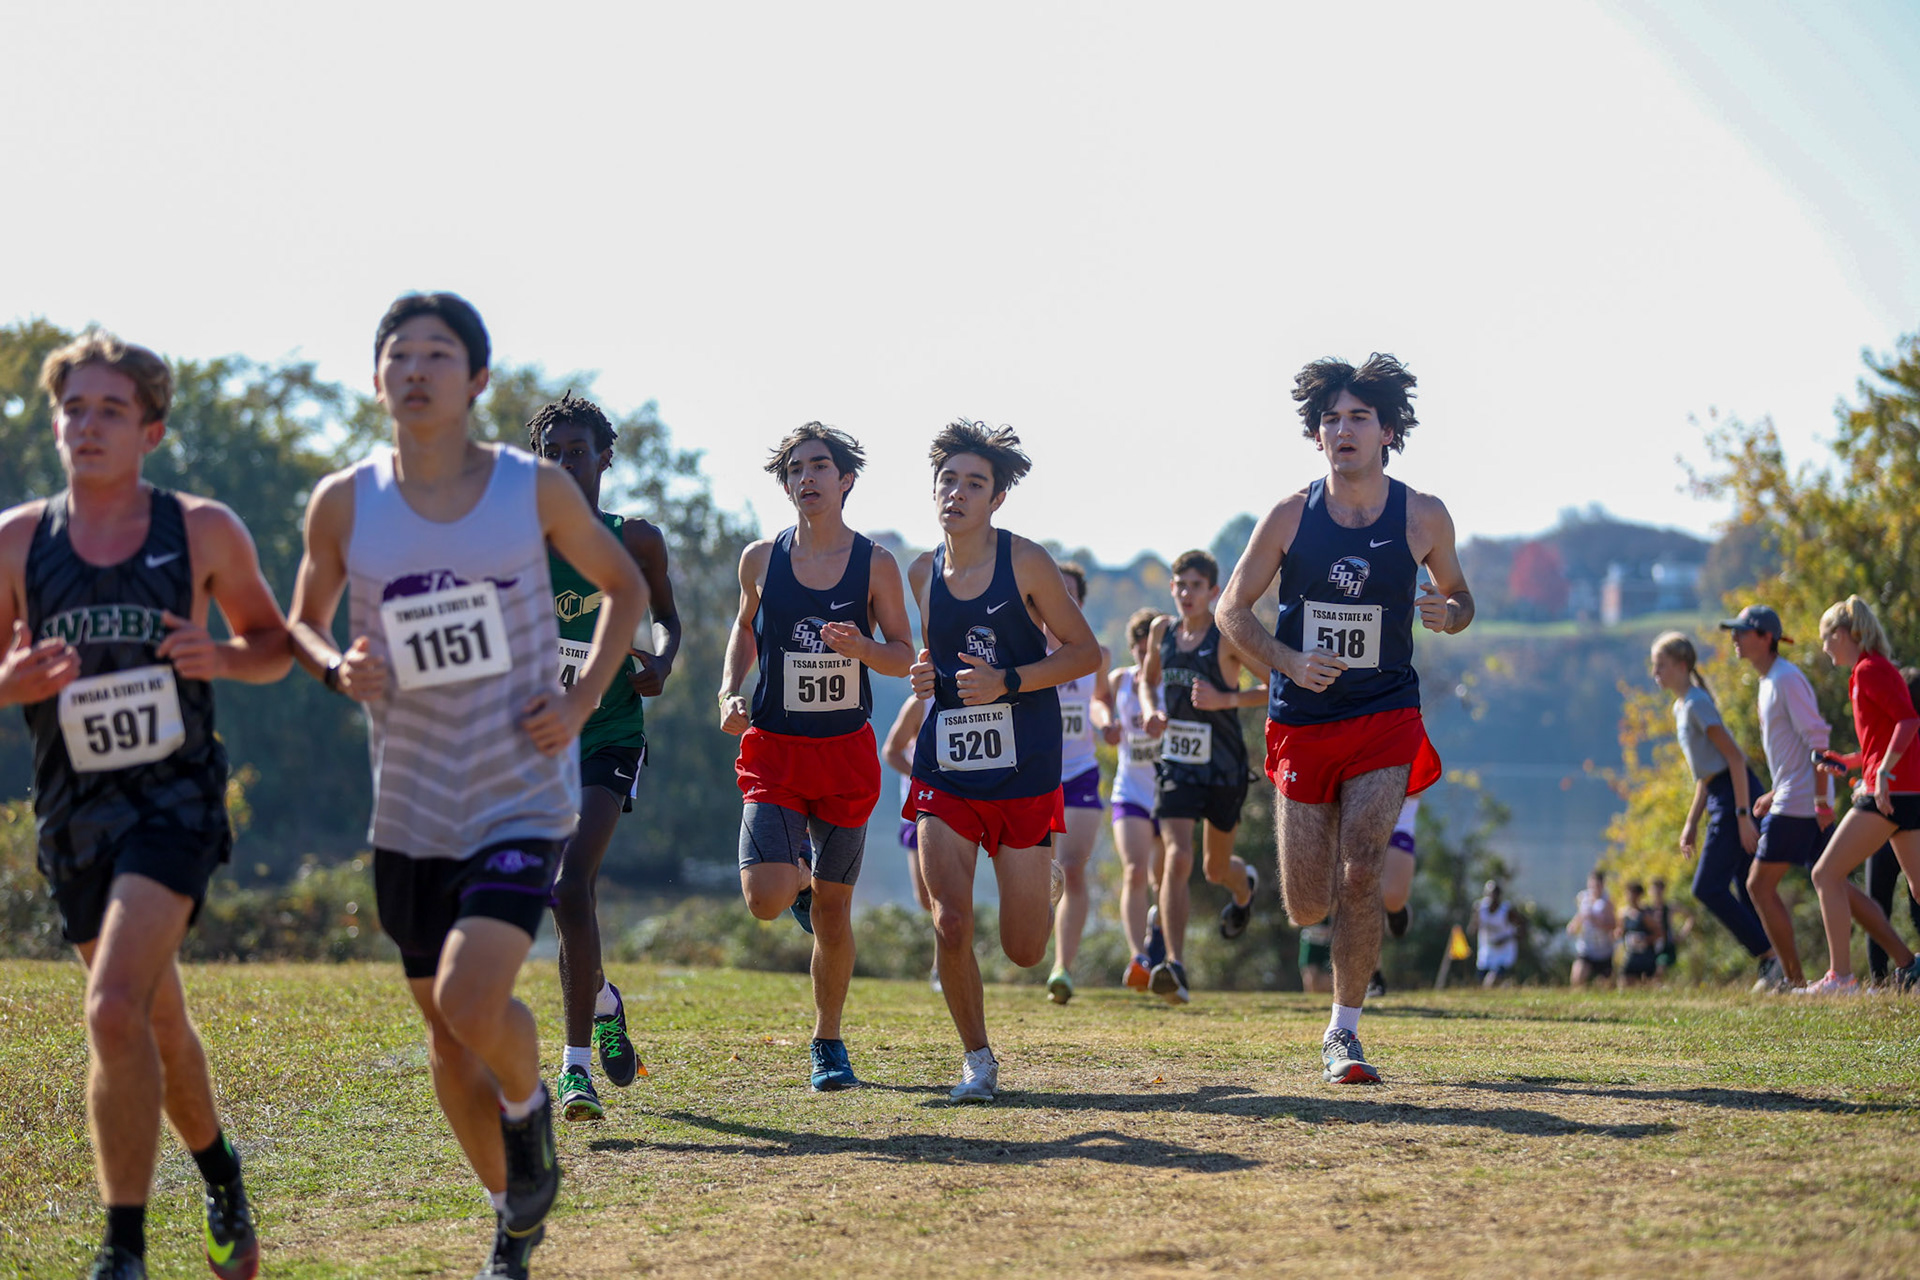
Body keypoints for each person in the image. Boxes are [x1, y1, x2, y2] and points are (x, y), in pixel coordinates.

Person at [289, 293, 649, 1279]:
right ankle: (511, 1214)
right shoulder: (344, 501)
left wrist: (576, 712)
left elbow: (627, 589)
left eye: (437, 354)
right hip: (409, 803)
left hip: (520, 789)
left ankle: (532, 1111)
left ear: (476, 380)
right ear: (375, 378)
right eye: (397, 353)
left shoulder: (530, 490)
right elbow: (302, 620)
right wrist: (333, 664)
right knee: (449, 1046)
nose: (415, 369)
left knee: (470, 992)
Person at [0, 332, 290, 1280]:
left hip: (174, 801)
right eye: (73, 409)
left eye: (109, 411)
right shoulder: (18, 540)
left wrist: (222, 658)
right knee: (151, 1016)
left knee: (113, 1004)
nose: (86, 426)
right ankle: (221, 1180)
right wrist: (13, 678)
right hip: (73, 811)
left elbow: (271, 643)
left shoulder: (200, 530)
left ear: (151, 429)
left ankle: (120, 1252)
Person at [1217, 353, 1467, 1085]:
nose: (1344, 429)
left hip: (1385, 710)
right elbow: (1233, 609)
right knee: (1306, 904)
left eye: (1359, 417)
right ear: (1316, 435)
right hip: (1303, 717)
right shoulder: (1291, 515)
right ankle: (1303, 897)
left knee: (1362, 871)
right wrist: (1287, 663)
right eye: (1331, 419)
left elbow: (1460, 597)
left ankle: (1344, 1032)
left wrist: (1446, 614)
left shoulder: (1422, 514)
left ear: (1388, 430)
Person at [904, 421, 1099, 1102]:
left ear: (997, 499)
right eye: (948, 480)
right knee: (950, 920)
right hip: (947, 765)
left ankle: (1037, 880)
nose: (957, 493)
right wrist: (925, 678)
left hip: (1025, 766)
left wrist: (1009, 682)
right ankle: (977, 1058)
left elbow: (1086, 653)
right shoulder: (922, 571)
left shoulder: (1027, 563)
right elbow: (932, 659)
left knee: (1024, 949)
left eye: (974, 484)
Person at [719, 423, 914, 1088]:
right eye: (795, 469)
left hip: (844, 757)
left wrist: (863, 650)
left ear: (846, 479)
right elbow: (743, 628)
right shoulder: (760, 559)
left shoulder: (876, 564)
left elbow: (903, 654)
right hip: (774, 749)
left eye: (820, 466)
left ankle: (828, 1043)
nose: (807, 477)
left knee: (835, 912)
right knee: (767, 900)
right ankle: (794, 880)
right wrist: (728, 689)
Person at [529, 392, 681, 1123]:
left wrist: (663, 663)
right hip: (539, 740)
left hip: (612, 735)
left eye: (576, 452)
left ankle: (574, 1072)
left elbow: (669, 623)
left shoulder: (637, 540)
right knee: (561, 895)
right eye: (550, 454)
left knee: (568, 884)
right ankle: (604, 1002)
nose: (563, 464)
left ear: (603, 459)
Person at [1138, 549, 1264, 1004]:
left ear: (1213, 591)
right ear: (1171, 588)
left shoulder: (1226, 636)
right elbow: (1146, 680)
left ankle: (1242, 886)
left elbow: (1275, 687)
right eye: (1180, 584)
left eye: (1196, 585)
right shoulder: (1162, 632)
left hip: (1224, 768)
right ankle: (1174, 965)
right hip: (1176, 767)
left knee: (1214, 869)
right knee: (1176, 856)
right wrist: (1152, 710)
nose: (1186, 593)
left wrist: (1225, 699)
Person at [1800, 597, 1920, 993]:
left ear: (1843, 634)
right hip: (1906, 791)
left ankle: (1842, 976)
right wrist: (1849, 762)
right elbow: (1883, 738)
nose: (1824, 647)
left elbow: (1908, 719)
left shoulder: (1870, 669)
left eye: (1825, 638)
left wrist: (1882, 772)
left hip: (1891, 792)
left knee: (1826, 873)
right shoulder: (1869, 671)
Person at [1649, 631, 1778, 988]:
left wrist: (1742, 817)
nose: (1655, 672)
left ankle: (1771, 957)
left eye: (1660, 665)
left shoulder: (1696, 704)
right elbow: (1706, 774)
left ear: (1681, 665)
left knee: (1707, 887)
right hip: (1722, 794)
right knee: (1743, 885)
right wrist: (1691, 822)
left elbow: (1735, 759)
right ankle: (1776, 963)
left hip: (1735, 795)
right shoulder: (1681, 706)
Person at [1720, 604, 1834, 990]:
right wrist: (1774, 791)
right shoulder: (1770, 680)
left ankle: (1794, 981)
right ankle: (1903, 961)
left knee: (1758, 886)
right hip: (1792, 796)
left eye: (1742, 631)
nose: (1735, 638)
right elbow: (1796, 751)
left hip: (1801, 802)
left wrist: (1820, 800)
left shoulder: (1785, 679)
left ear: (1766, 638)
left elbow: (1818, 739)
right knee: (1834, 882)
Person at [1044, 561, 1116, 1005]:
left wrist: (1106, 723)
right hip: (1035, 776)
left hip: (1081, 773)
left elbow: (1098, 702)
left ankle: (1062, 968)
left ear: (1081, 603)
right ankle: (1035, 948)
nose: (1062, 602)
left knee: (1072, 869)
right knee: (1039, 874)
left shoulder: (1098, 654)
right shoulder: (1027, 649)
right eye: (1055, 593)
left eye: (1070, 595)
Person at [1108, 607, 1166, 991]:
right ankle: (1138, 956)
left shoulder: (1171, 683)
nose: (1146, 660)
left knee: (1162, 878)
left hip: (1169, 791)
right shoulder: (1120, 682)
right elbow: (1101, 709)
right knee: (1133, 869)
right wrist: (1107, 726)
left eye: (1153, 652)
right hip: (1130, 789)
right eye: (1139, 651)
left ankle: (1158, 934)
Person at [882, 694, 941, 991]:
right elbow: (891, 752)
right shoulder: (919, 704)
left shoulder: (973, 695)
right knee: (926, 898)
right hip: (916, 811)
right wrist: (920, 774)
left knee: (950, 893)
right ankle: (942, 962)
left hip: (956, 811)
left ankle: (942, 966)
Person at [1867, 667, 1920, 984]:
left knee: (1877, 904)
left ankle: (1878, 979)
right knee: (1915, 902)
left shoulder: (1899, 736)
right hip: (1905, 825)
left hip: (1886, 826)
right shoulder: (1901, 735)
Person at [1367, 796, 1421, 998]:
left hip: (1399, 826)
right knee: (1365, 903)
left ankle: (1395, 909)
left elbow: (1420, 788)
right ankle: (1374, 976)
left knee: (1390, 897)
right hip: (1359, 826)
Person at [1568, 870, 1616, 986]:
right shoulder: (1583, 899)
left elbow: (1613, 925)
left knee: (1607, 985)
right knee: (1577, 978)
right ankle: (1577, 1002)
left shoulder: (1607, 902)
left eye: (1597, 885)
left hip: (1603, 951)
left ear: (1602, 885)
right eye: (1592, 885)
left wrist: (1597, 922)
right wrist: (1574, 925)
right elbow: (1579, 919)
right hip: (1586, 949)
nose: (1594, 888)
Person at [1615, 880, 1663, 988]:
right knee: (1624, 983)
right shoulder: (1623, 914)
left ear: (1638, 895)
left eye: (1632, 893)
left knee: (1646, 986)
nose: (1629, 896)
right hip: (1630, 956)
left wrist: (1644, 940)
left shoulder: (1645, 915)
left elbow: (1659, 933)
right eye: (1628, 893)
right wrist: (1618, 933)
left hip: (1645, 957)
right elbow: (1619, 931)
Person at [1474, 879, 1518, 987]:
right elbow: (1472, 928)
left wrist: (1505, 938)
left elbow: (1521, 927)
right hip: (1487, 951)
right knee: (1481, 981)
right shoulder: (1480, 908)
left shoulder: (1506, 910)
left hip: (1504, 952)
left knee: (1492, 979)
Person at [1647, 877, 1688, 978]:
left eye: (1659, 890)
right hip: (1651, 947)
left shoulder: (1670, 907)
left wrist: (1682, 934)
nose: (1656, 893)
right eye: (1654, 890)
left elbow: (1690, 916)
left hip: (1667, 946)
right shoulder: (1647, 909)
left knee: (1660, 968)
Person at [1298, 922, 1333, 992]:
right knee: (1310, 978)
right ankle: (1310, 1000)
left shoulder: (1330, 912)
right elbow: (1292, 921)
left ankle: (1323, 1001)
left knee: (1326, 981)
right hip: (1310, 946)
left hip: (1327, 945)